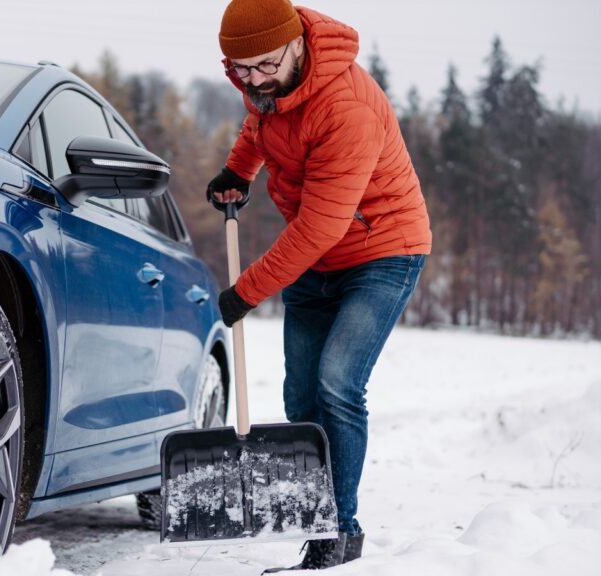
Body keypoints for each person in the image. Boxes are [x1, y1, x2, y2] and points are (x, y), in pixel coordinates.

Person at [208, 0, 432, 570]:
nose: (252, 80)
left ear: (297, 46)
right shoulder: (268, 82)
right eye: (240, 70)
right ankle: (315, 515)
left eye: (262, 66)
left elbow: (320, 225)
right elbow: (263, 123)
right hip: (318, 255)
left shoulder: (346, 106)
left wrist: (246, 292)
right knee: (301, 397)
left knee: (337, 383)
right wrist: (239, 169)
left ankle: (340, 530)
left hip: (383, 251)